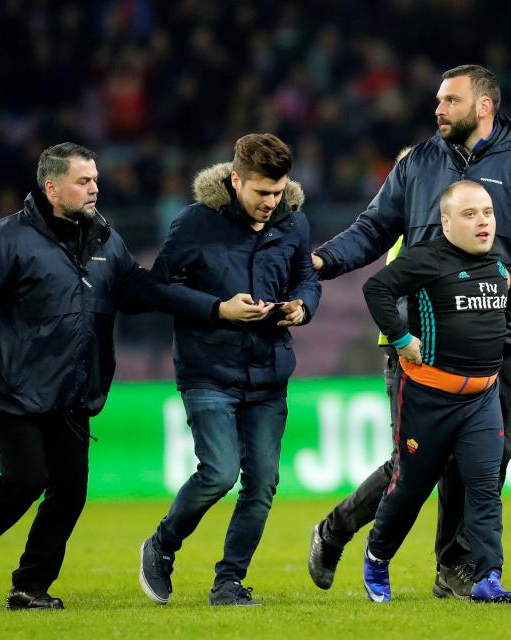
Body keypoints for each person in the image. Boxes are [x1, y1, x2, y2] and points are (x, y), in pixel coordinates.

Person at [0, 142, 254, 610]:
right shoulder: (3, 240)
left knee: (70, 490)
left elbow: (135, 289)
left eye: (95, 179)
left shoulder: (104, 240)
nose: (95, 188)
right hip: (14, 385)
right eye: (84, 181)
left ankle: (29, 588)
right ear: (52, 186)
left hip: (73, 390)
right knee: (25, 480)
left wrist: (203, 298)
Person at [307, 64, 511, 598]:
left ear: (484, 106)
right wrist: (323, 260)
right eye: (439, 101)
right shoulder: (420, 162)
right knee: (415, 466)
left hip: (497, 342)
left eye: (450, 101)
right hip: (417, 345)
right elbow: (373, 229)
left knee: (482, 466)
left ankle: (454, 568)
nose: (438, 109)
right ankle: (336, 531)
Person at [138, 133, 321, 607]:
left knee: (261, 483)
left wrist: (303, 307)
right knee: (219, 473)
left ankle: (229, 583)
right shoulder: (195, 223)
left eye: (278, 192)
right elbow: (156, 289)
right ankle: (161, 546)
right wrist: (219, 309)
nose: (270, 202)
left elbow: (305, 276)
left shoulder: (293, 223)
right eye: (261, 192)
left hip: (268, 372)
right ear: (235, 178)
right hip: (208, 369)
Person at [360, 181, 511, 604]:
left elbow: (507, 296)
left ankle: (489, 576)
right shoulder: (425, 259)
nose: (483, 221)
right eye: (470, 214)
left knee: (484, 488)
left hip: (482, 399)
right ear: (446, 222)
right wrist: (399, 337)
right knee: (410, 488)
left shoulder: (499, 262)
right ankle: (377, 557)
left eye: (487, 212)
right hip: (429, 400)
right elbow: (375, 288)